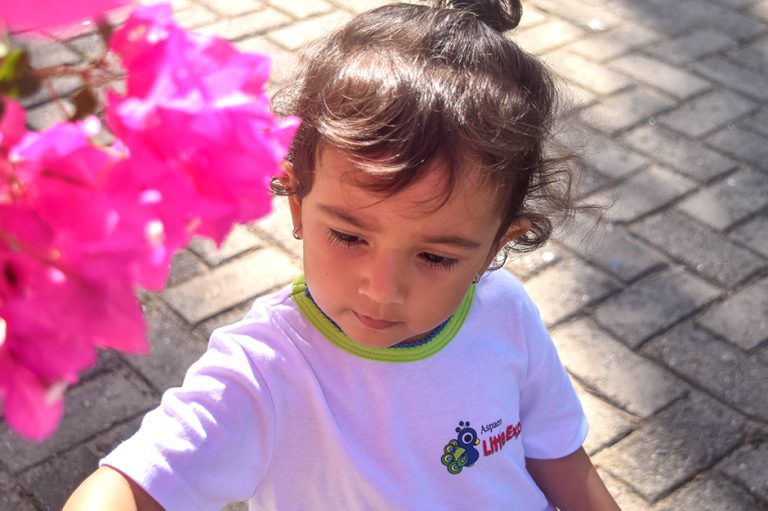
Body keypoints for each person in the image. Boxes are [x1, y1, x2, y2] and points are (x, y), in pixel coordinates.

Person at [64, 1, 621, 509]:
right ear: (297, 203)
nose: (382, 289)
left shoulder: (506, 313)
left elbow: (560, 458)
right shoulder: (266, 372)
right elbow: (133, 485)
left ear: (496, 246)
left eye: (436, 257)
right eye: (350, 237)